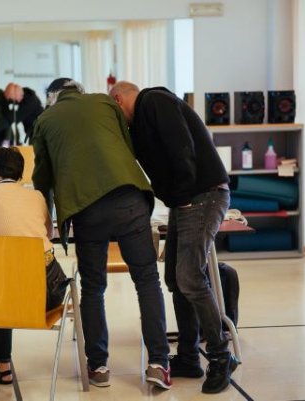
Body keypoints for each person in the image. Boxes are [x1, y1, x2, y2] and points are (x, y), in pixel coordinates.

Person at [32, 78, 171, 389]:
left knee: (93, 288)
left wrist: (46, 221)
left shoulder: (45, 120)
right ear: (79, 91)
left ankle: (98, 367)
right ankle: (159, 363)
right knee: (147, 279)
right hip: (129, 199)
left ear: (53, 98)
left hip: (86, 209)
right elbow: (128, 146)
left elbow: (43, 178)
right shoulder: (105, 102)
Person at [109, 81, 237, 394]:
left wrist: (181, 194)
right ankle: (189, 356)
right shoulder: (140, 121)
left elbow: (182, 145)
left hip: (201, 194)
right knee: (175, 279)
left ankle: (221, 355)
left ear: (118, 98)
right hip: (188, 197)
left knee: (190, 277)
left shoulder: (153, 101)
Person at [0, 146, 68, 385]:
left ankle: (2, 367)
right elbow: (49, 234)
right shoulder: (37, 196)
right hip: (49, 291)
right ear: (22, 174)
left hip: (10, 300)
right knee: (6, 281)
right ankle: (1, 367)